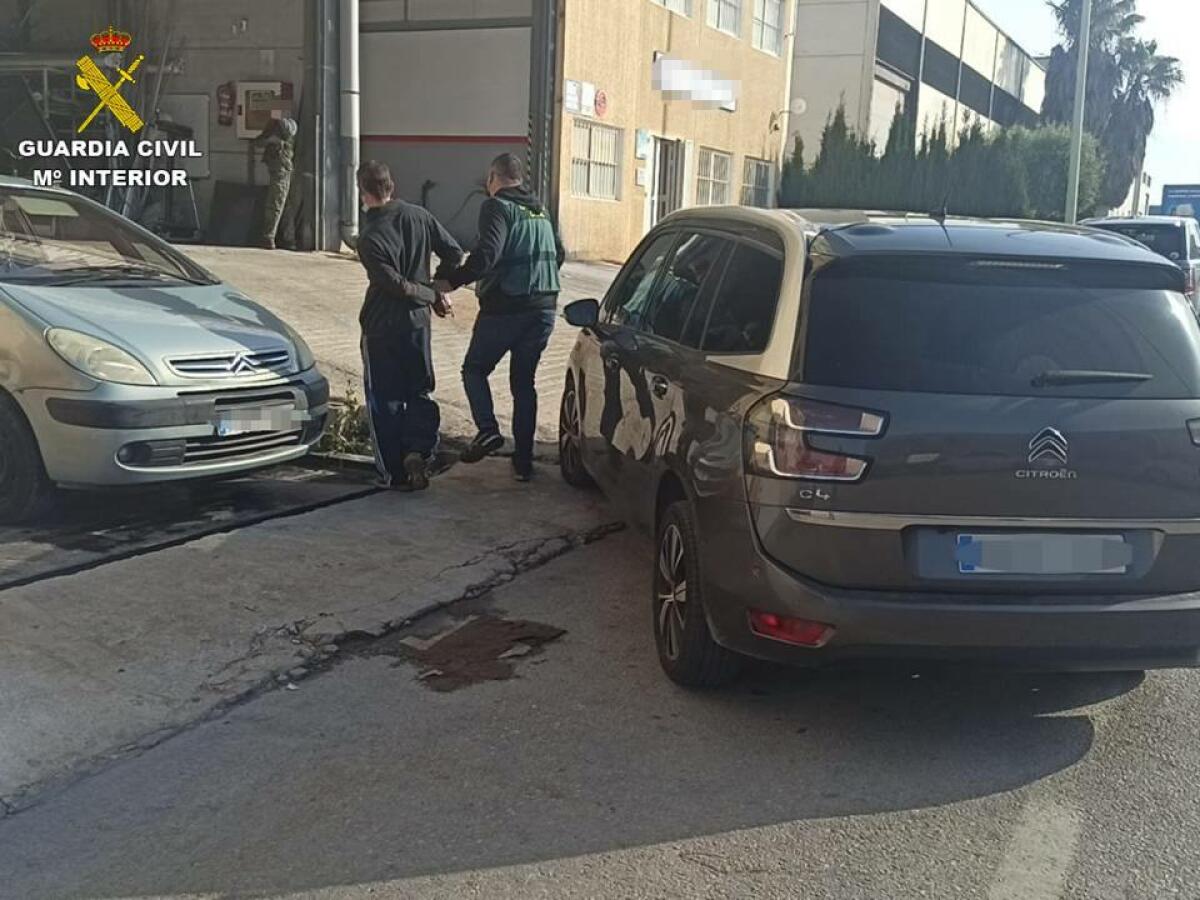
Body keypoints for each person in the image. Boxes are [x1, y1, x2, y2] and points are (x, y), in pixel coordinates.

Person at [434, 153, 565, 482]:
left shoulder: (495, 207)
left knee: (474, 369)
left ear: (494, 177)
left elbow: (487, 255)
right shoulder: (539, 209)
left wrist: (453, 280)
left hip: (506, 309)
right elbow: (558, 253)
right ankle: (523, 461)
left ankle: (488, 430)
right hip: (544, 310)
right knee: (524, 384)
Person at [356, 160, 464, 490]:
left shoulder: (370, 238)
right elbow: (455, 252)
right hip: (417, 324)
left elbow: (397, 286)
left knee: (384, 398)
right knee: (420, 389)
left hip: (381, 326)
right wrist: (438, 287)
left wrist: (431, 293)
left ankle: (395, 472)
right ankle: (418, 450)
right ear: (391, 186)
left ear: (363, 192)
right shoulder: (419, 215)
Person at [252, 114, 298, 250]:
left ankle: (270, 238)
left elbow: (260, 142)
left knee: (276, 203)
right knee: (283, 204)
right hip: (280, 169)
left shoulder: (283, 133)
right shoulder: (279, 132)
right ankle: (288, 239)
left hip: (281, 170)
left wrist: (272, 140)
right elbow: (258, 142)